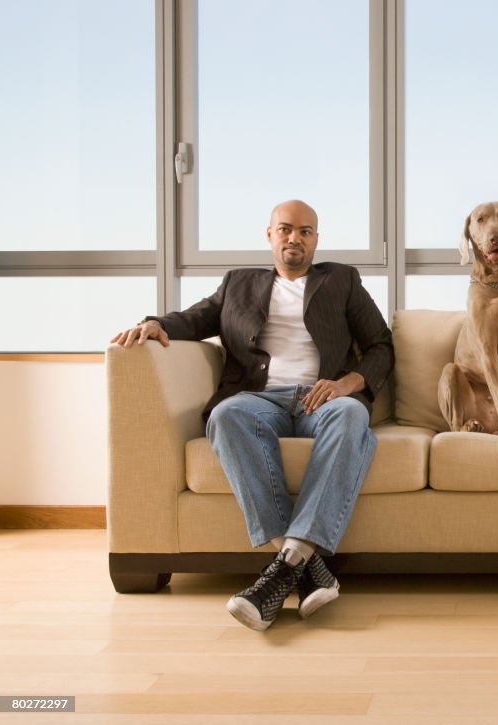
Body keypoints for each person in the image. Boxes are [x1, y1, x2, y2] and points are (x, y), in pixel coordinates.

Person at [111, 200, 393, 631]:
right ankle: (301, 561)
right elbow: (192, 319)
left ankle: (276, 577)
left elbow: (381, 345)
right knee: (225, 416)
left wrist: (345, 385)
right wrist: (154, 323)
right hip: (259, 398)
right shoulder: (238, 284)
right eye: (285, 229)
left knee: (352, 418)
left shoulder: (342, 280)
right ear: (269, 235)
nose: (294, 238)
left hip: (323, 399)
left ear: (316, 239)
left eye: (305, 231)